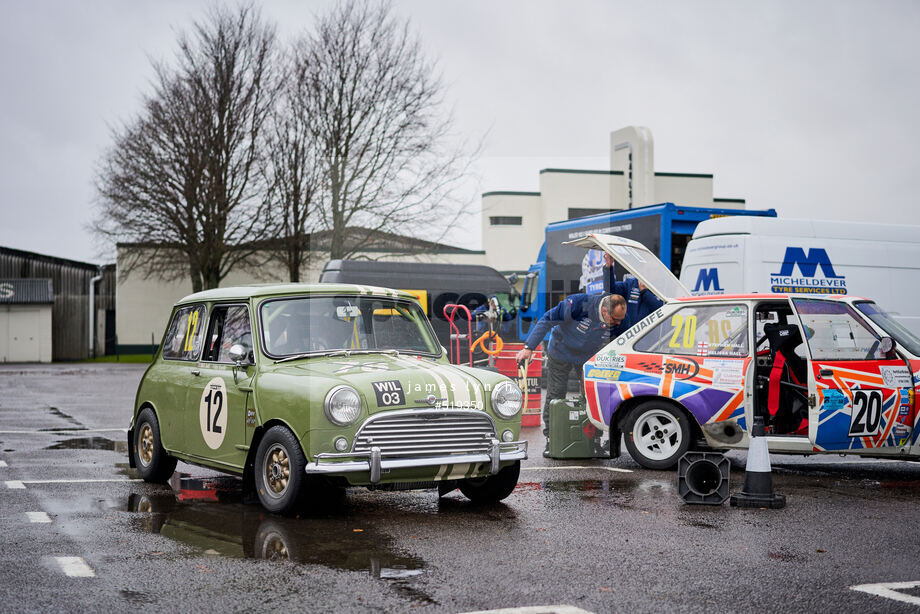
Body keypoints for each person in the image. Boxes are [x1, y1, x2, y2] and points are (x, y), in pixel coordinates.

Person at [515, 293, 629, 455]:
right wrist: (529, 348)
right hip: (561, 350)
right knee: (556, 393)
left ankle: (594, 440)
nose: (618, 323)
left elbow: (628, 336)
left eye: (620, 320)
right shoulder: (578, 304)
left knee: (591, 396)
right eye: (615, 319)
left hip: (588, 356)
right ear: (604, 311)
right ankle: (552, 440)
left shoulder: (620, 317)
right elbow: (547, 320)